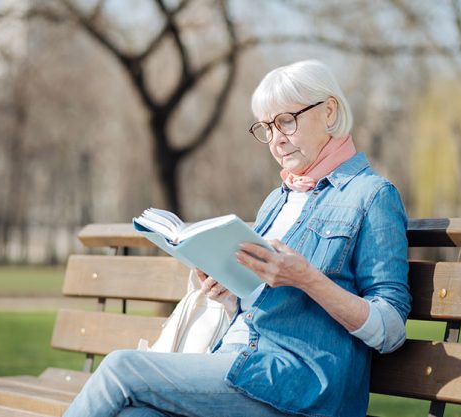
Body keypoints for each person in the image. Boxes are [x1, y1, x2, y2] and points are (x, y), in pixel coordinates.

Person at [63, 59, 411, 417]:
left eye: (286, 121)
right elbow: (260, 302)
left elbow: (391, 329)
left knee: (122, 367)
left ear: (328, 111)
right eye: (266, 128)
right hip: (237, 365)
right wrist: (228, 290)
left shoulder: (372, 196)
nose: (276, 140)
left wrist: (307, 279)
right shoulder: (278, 200)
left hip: (297, 386)